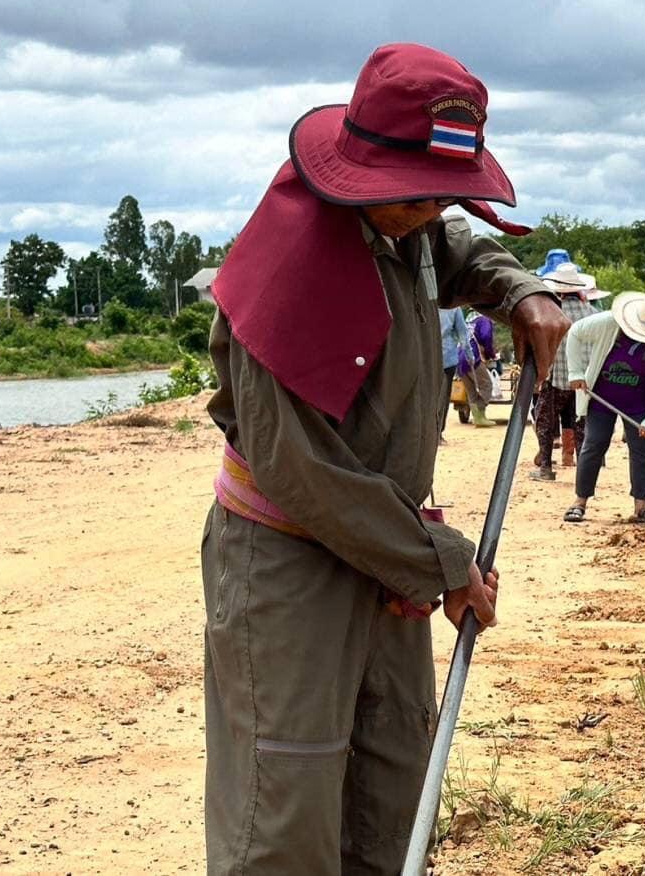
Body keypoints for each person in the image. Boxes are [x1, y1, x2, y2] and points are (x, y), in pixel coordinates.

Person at [201, 43, 570, 874]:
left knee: (392, 791)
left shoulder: (410, 220)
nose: (436, 204)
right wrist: (439, 560)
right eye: (421, 189)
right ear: (359, 170)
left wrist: (523, 289)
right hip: (290, 563)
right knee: (284, 810)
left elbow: (459, 248)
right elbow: (304, 474)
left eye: (449, 189)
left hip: (382, 551)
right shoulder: (286, 275)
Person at [563, 292, 645, 524]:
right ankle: (579, 502)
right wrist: (576, 372)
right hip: (602, 399)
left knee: (642, 449)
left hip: (639, 403)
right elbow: (575, 333)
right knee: (594, 444)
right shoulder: (608, 323)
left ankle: (641, 507)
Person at [531, 264, 596, 480]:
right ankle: (584, 474)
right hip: (584, 382)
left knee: (545, 421)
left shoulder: (551, 314)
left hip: (555, 378)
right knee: (581, 425)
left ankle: (546, 468)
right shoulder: (592, 313)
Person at [458, 310, 499, 426]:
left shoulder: (470, 320)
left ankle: (478, 418)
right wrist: (491, 354)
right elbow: (486, 336)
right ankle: (479, 415)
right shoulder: (484, 320)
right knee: (486, 385)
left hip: (460, 357)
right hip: (472, 357)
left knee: (471, 391)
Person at [438, 306, 470, 441]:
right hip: (447, 358)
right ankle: (438, 432)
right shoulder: (453, 307)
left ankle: (428, 433)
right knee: (443, 396)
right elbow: (462, 333)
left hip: (426, 357)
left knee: (426, 396)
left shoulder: (424, 301)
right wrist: (469, 355)